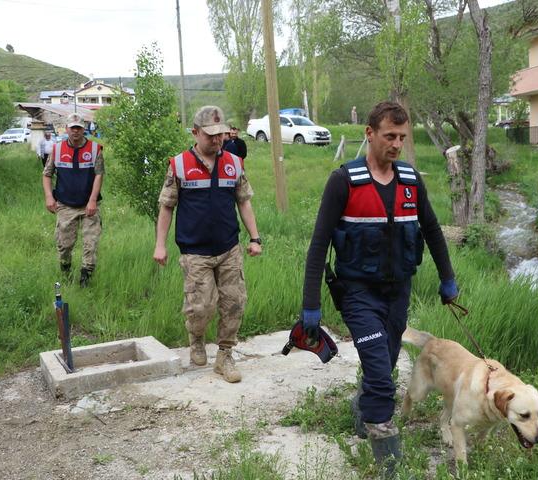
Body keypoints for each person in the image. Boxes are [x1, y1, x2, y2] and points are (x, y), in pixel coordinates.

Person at [301, 101, 458, 477]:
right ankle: (389, 463)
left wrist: (447, 278)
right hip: (357, 294)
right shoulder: (344, 181)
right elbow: (319, 243)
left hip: (397, 292)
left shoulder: (410, 179)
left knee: (384, 363)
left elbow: (433, 231)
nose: (396, 144)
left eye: (402, 137)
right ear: (369, 134)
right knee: (379, 374)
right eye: (389, 136)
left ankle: (364, 411)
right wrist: (310, 304)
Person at [153, 106, 262, 383]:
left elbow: (244, 202)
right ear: (195, 132)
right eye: (210, 135)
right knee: (200, 308)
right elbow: (166, 207)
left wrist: (255, 238)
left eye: (220, 135)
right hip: (195, 251)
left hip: (229, 248)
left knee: (234, 302)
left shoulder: (234, 163)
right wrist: (160, 245)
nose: (217, 140)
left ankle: (225, 355)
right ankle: (197, 338)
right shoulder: (179, 165)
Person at [41, 113, 104, 287]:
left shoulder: (94, 149)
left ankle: (85, 279)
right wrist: (48, 197)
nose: (75, 131)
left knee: (90, 243)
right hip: (65, 205)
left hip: (89, 205)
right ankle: (66, 272)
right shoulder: (57, 149)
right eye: (72, 127)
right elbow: (47, 174)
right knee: (64, 244)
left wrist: (92, 200)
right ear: (67, 129)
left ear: (84, 129)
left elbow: (99, 175)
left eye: (79, 128)